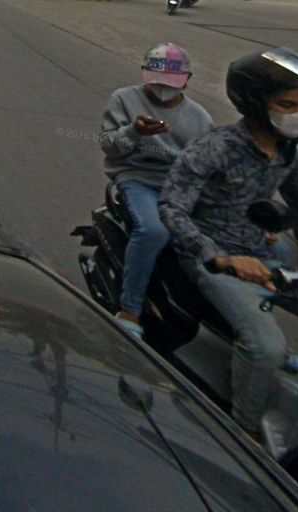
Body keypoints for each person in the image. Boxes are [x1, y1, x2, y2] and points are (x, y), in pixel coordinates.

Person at [158, 47, 298, 438]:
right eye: (287, 105)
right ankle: (243, 434)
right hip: (213, 258)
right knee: (266, 348)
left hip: (261, 256)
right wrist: (220, 258)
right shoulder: (214, 148)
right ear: (256, 103)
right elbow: (172, 209)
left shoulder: (289, 155)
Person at [99, 42, 213, 338]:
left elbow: (207, 165)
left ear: (186, 80)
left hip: (181, 186)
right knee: (153, 231)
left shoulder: (200, 118)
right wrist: (134, 131)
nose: (163, 91)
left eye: (171, 83)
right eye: (157, 82)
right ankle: (130, 309)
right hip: (138, 178)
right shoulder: (124, 99)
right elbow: (110, 147)